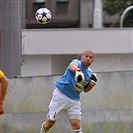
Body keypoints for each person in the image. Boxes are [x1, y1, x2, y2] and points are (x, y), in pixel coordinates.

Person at [40, 50, 97, 133]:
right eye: (86, 56)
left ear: (92, 61)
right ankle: (43, 130)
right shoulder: (76, 63)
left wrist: (92, 84)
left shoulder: (89, 73)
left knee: (76, 125)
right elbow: (72, 66)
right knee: (49, 124)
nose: (88, 58)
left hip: (74, 100)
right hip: (61, 96)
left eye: (90, 57)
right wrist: (77, 71)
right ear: (81, 57)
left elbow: (85, 90)